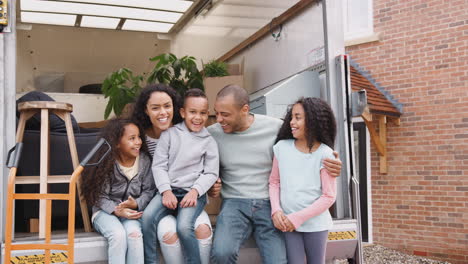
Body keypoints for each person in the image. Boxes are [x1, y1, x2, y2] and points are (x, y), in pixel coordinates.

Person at [207, 85, 342, 264]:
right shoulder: (212, 134)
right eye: (216, 113)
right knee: (221, 253)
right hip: (234, 202)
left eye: (225, 114)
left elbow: (307, 148)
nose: (219, 119)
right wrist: (209, 186)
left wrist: (333, 162)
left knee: (278, 261)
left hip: (269, 203)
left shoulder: (276, 127)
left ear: (245, 110)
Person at [132, 84, 213, 264]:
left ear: (176, 109)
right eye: (155, 107)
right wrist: (165, 191)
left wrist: (200, 189)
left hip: (191, 196)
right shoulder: (138, 138)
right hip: (161, 195)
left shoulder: (205, 138)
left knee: (191, 227)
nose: (162, 112)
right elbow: (157, 167)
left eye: (167, 106)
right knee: (155, 224)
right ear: (145, 110)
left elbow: (210, 172)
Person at [269, 97, 337, 264]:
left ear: (313, 121)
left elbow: (329, 196)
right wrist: (276, 211)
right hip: (288, 224)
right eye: (291, 117)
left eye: (298, 117)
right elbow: (274, 182)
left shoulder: (325, 153)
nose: (292, 122)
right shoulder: (281, 148)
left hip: (316, 225)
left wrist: (297, 218)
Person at [81, 118, 155, 264]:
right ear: (116, 143)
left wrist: (136, 204)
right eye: (132, 138)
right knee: (118, 235)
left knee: (134, 235)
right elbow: (99, 196)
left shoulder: (145, 161)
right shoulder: (107, 162)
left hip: (131, 212)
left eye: (139, 137)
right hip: (105, 212)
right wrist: (116, 210)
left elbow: (149, 191)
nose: (138, 142)